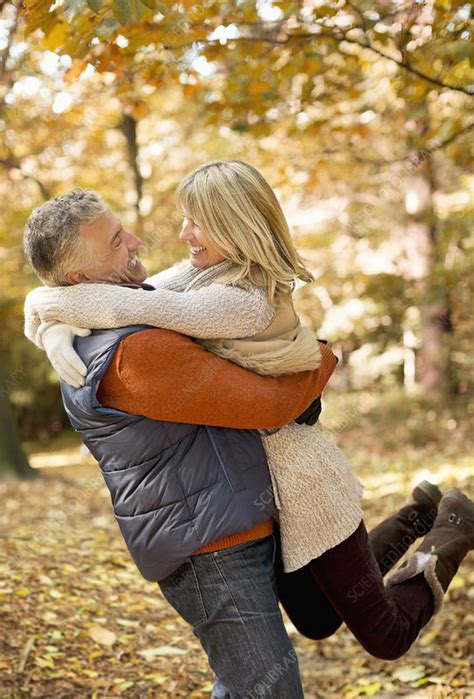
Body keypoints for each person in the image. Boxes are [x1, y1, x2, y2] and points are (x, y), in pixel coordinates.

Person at [24, 168, 473, 666]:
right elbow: (107, 298)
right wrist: (53, 327)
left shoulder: (242, 302)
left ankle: (451, 528)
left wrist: (47, 315)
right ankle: (416, 513)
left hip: (307, 484)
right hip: (265, 488)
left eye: (197, 222)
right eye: (184, 219)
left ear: (235, 227)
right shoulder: (200, 273)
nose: (182, 234)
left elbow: (116, 301)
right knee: (319, 618)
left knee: (386, 637)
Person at [23, 188, 340, 698]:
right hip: (209, 548)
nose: (136, 240)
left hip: (222, 527)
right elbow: (269, 405)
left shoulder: (130, 312)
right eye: (114, 243)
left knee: (246, 686)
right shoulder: (135, 351)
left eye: (122, 228)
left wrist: (46, 316)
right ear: (82, 278)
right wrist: (321, 358)